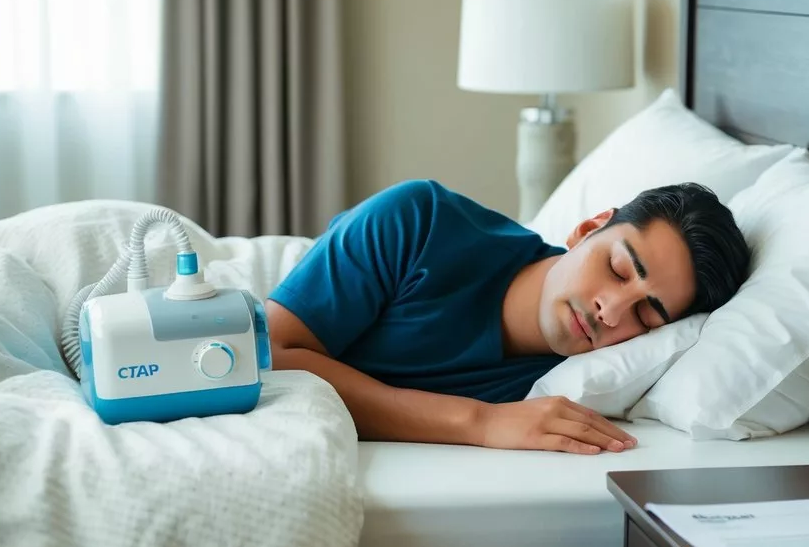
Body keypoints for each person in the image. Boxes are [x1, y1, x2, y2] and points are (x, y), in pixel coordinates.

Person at [265, 178, 749, 454]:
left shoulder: (575, 382)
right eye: (619, 269)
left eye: (646, 315)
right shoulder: (418, 219)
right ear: (587, 229)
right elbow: (270, 353)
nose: (611, 310)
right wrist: (479, 422)